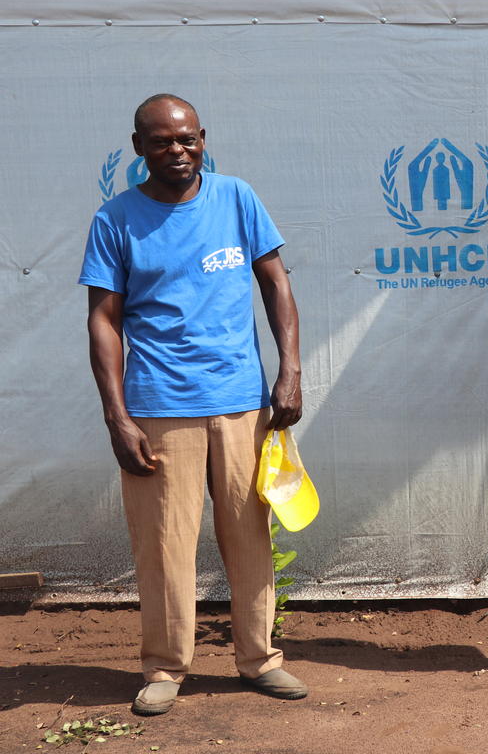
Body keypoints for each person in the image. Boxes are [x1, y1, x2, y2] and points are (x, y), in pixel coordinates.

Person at [80, 94, 308, 716]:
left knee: (249, 537)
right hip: (160, 405)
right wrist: (117, 416)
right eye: (161, 142)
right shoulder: (116, 219)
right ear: (139, 148)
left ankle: (260, 660)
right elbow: (103, 319)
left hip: (241, 403)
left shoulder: (237, 197)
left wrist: (288, 370)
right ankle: (164, 668)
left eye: (187, 139)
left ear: (203, 137)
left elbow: (277, 283)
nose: (177, 151)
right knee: (163, 543)